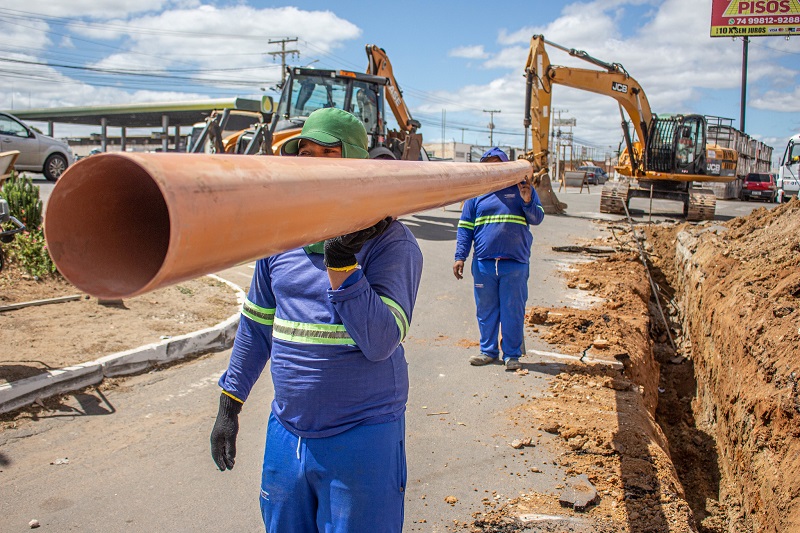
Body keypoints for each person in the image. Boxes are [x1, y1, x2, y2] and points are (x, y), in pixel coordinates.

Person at [210, 107, 423, 533]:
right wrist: (228, 405)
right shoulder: (283, 236)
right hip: (288, 433)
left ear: (358, 163)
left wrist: (343, 264)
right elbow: (256, 326)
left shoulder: (392, 244)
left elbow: (380, 340)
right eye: (306, 152)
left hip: (361, 436)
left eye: (329, 152)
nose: (314, 162)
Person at [452, 147, 545, 371]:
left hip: (515, 263)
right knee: (486, 309)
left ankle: (511, 355)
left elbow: (537, 218)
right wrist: (460, 256)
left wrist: (527, 200)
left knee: (512, 310)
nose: (493, 168)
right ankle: (488, 351)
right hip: (483, 263)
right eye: (489, 164)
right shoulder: (476, 193)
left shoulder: (523, 188)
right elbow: (465, 228)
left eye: (497, 164)